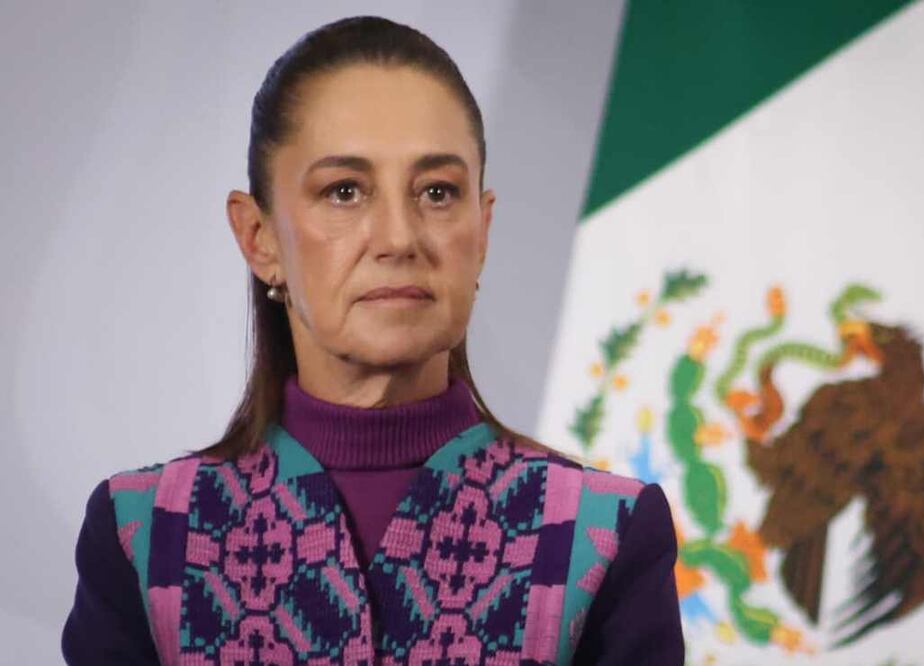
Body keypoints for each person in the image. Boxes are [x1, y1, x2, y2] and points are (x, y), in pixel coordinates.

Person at [61, 15, 683, 665]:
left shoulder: (602, 535)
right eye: (345, 191)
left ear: (483, 227)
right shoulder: (143, 535)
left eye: (437, 192)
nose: (397, 237)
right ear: (259, 238)